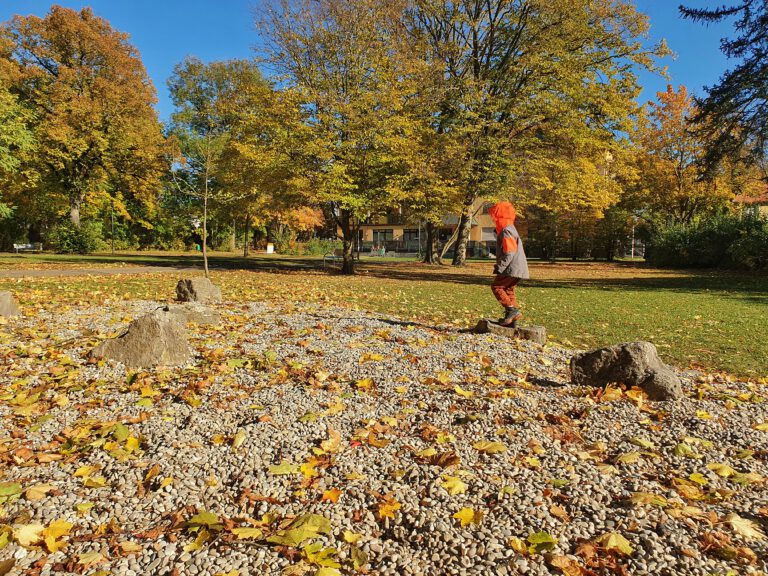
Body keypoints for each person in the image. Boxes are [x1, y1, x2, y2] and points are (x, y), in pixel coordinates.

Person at [488, 201, 529, 326]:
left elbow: (509, 251)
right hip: (518, 268)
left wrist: (500, 267)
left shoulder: (507, 230)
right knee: (508, 289)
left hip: (511, 267)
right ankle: (512, 319)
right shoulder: (510, 228)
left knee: (497, 287)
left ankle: (512, 310)